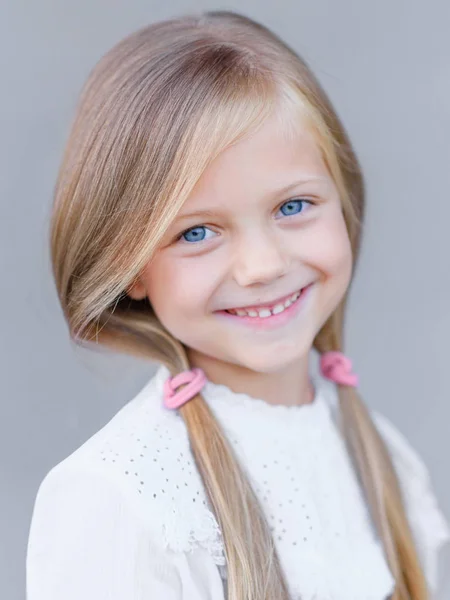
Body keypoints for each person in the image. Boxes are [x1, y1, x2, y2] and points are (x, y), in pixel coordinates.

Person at [26, 10, 449, 600]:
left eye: (293, 206)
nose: (263, 266)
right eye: (197, 233)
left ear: (343, 200)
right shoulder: (126, 500)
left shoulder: (382, 457)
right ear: (131, 267)